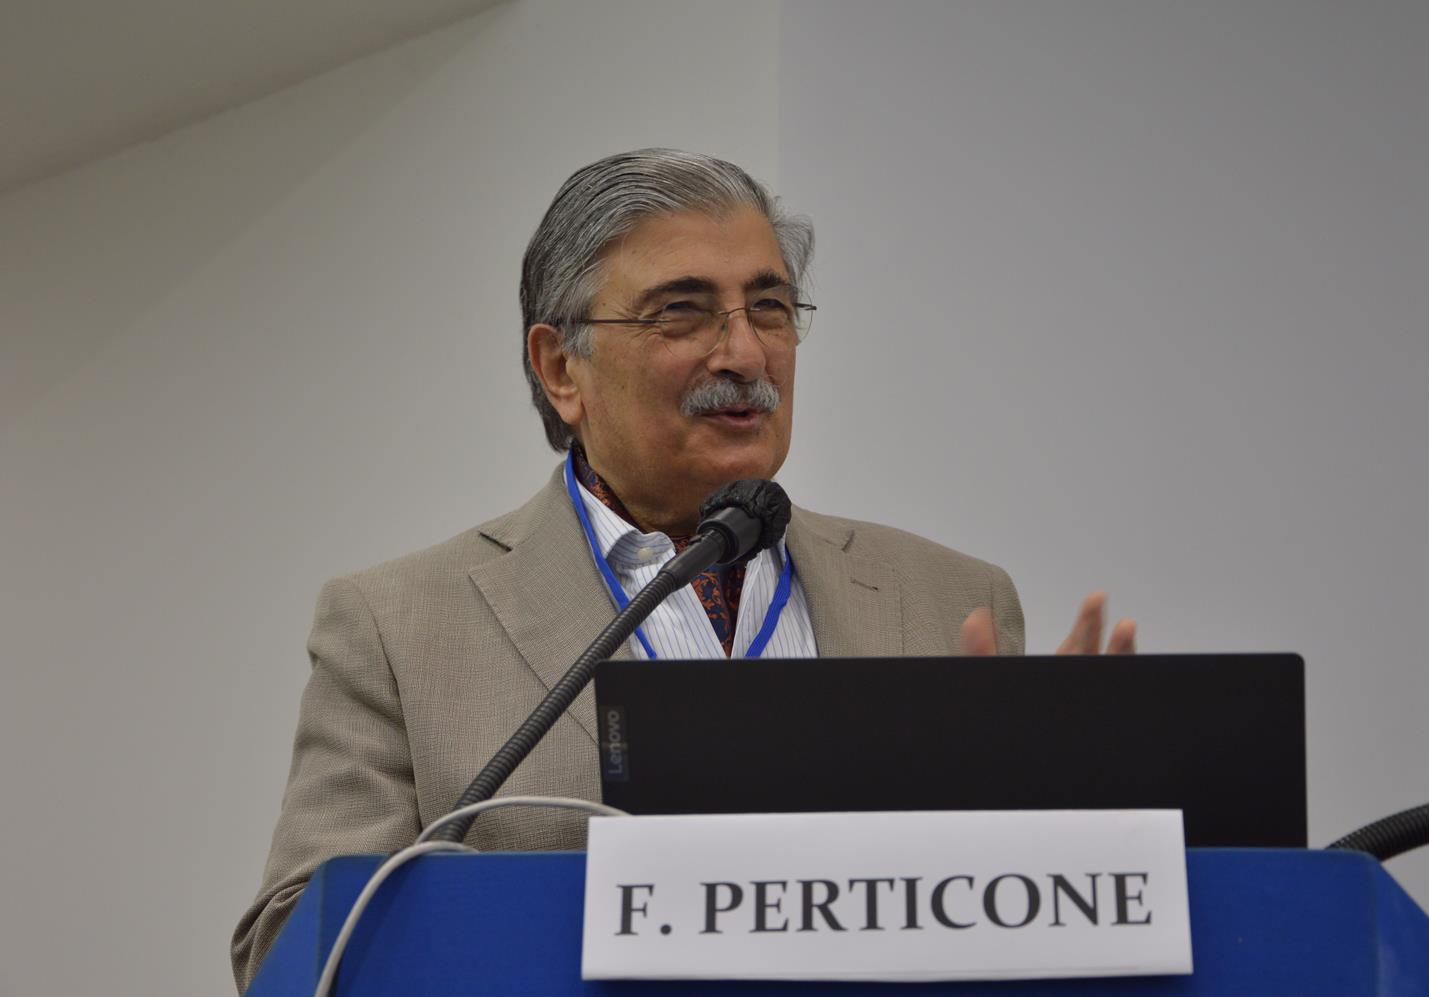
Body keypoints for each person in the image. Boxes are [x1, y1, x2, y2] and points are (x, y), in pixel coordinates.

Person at [230, 149, 1135, 991]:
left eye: (769, 307)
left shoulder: (950, 600)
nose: (745, 354)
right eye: (683, 311)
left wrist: (1072, 834)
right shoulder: (399, 626)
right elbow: (291, 947)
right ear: (560, 368)